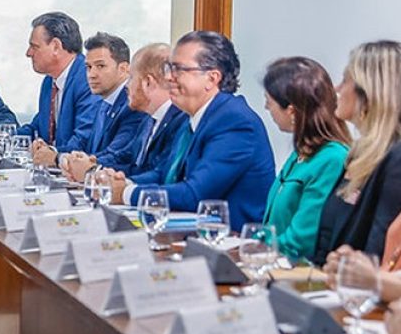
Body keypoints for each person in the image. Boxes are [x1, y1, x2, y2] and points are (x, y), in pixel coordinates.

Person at [110, 30, 274, 232]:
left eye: (179, 69)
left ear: (212, 78)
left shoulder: (235, 122)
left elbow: (195, 194)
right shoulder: (195, 116)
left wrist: (127, 193)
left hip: (230, 246)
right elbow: (165, 173)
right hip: (187, 234)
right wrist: (123, 181)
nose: (169, 77)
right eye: (170, 68)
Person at [314, 41, 401, 264]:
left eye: (345, 80)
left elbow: (377, 255)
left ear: (368, 93)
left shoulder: (395, 161)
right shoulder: (358, 154)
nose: (336, 88)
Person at [260, 57, 350, 261]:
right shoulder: (302, 151)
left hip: (297, 276)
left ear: (291, 110)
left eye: (269, 101)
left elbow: (302, 240)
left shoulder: (332, 158)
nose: (267, 108)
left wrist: (253, 253)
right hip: (273, 263)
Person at [34, 32, 147, 179]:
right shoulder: (105, 102)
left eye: (100, 66)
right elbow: (88, 150)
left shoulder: (132, 106)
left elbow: (117, 157)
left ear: (124, 69)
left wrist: (58, 158)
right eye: (88, 67)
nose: (91, 74)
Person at [17, 12, 99, 153]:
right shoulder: (50, 81)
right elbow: (36, 128)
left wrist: (53, 155)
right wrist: (0, 137)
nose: (28, 53)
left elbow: (84, 140)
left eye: (34, 47)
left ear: (56, 46)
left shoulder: (87, 79)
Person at [121, 43, 189, 177]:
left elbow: (159, 174)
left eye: (131, 78)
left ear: (148, 82)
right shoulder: (148, 120)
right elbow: (130, 163)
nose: (127, 85)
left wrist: (123, 187)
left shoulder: (181, 120)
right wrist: (97, 169)